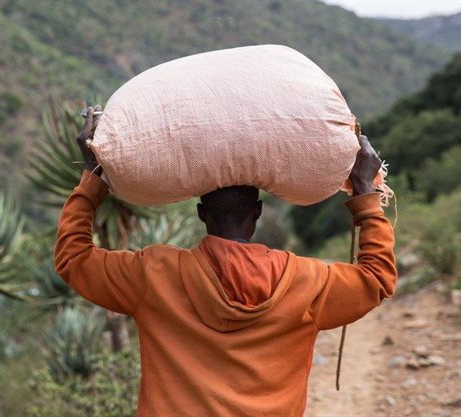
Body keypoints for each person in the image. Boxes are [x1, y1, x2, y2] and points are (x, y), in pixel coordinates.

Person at [54, 106, 397, 417]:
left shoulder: (154, 274)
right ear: (258, 213)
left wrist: (92, 176)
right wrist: (365, 191)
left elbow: (73, 257)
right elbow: (377, 278)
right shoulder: (304, 281)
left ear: (202, 214)